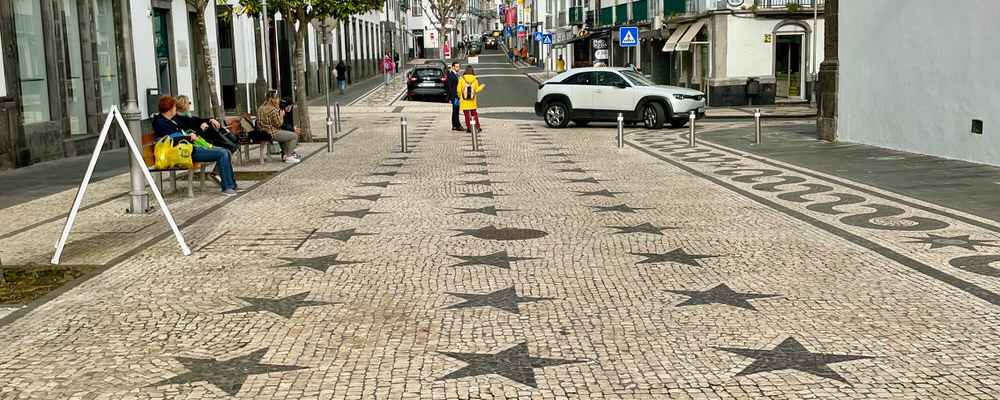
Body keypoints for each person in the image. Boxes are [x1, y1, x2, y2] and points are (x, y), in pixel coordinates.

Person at [152, 96, 239, 196]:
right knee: (223, 153)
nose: (176, 109)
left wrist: (203, 124)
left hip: (189, 148)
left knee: (226, 151)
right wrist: (189, 137)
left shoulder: (170, 120)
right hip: (184, 152)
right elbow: (170, 139)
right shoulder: (160, 122)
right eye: (174, 107)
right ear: (170, 109)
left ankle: (232, 186)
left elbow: (192, 123)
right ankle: (227, 187)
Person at [172, 95, 238, 152]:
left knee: (211, 124)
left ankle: (232, 142)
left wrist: (211, 120)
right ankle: (231, 144)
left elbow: (199, 120)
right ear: (184, 105)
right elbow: (189, 133)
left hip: (201, 139)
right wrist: (202, 128)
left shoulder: (186, 117)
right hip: (196, 142)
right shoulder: (179, 119)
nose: (190, 105)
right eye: (189, 103)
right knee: (209, 128)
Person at [257, 90, 301, 164]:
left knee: (285, 134)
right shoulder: (272, 110)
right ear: (272, 99)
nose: (278, 100)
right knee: (294, 136)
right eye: (277, 98)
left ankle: (286, 154)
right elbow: (279, 124)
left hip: (263, 131)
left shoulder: (261, 108)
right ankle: (288, 156)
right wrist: (281, 115)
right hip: (272, 133)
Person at [456, 66, 485, 133]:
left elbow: (458, 90)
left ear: (465, 71)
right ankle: (477, 127)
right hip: (472, 100)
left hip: (464, 100)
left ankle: (469, 128)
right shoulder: (475, 80)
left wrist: (460, 96)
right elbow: (476, 90)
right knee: (474, 114)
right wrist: (482, 86)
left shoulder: (461, 79)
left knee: (466, 115)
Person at [445, 62, 463, 132]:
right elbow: (449, 87)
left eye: (458, 66)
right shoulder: (451, 75)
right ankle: (458, 125)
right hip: (454, 97)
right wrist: (451, 98)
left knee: (455, 111)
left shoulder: (456, 75)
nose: (458, 68)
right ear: (453, 67)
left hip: (456, 96)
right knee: (456, 111)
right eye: (456, 67)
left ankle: (454, 125)